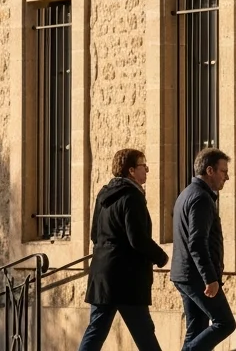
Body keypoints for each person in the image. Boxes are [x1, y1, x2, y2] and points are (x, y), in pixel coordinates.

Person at [77, 148, 169, 351]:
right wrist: (160, 256)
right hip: (126, 277)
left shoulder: (103, 195)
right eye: (143, 165)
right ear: (131, 171)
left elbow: (94, 234)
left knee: (96, 331)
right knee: (144, 333)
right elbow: (137, 238)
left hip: (103, 275)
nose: (147, 170)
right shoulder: (132, 197)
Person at [170, 148, 236, 351]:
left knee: (196, 330)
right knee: (225, 323)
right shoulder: (201, 198)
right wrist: (210, 278)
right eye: (223, 171)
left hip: (185, 274)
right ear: (210, 170)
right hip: (196, 276)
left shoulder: (187, 193)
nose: (227, 176)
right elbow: (197, 242)